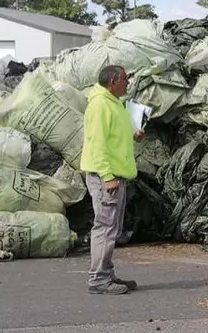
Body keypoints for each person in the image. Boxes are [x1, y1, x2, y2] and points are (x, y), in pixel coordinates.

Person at [80, 65, 145, 295]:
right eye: (125, 78)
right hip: (105, 177)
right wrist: (107, 177)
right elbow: (97, 144)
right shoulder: (99, 105)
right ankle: (98, 279)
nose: (128, 82)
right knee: (105, 227)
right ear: (113, 82)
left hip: (116, 176)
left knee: (111, 228)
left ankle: (107, 273)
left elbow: (114, 135)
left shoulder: (114, 103)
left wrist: (133, 133)